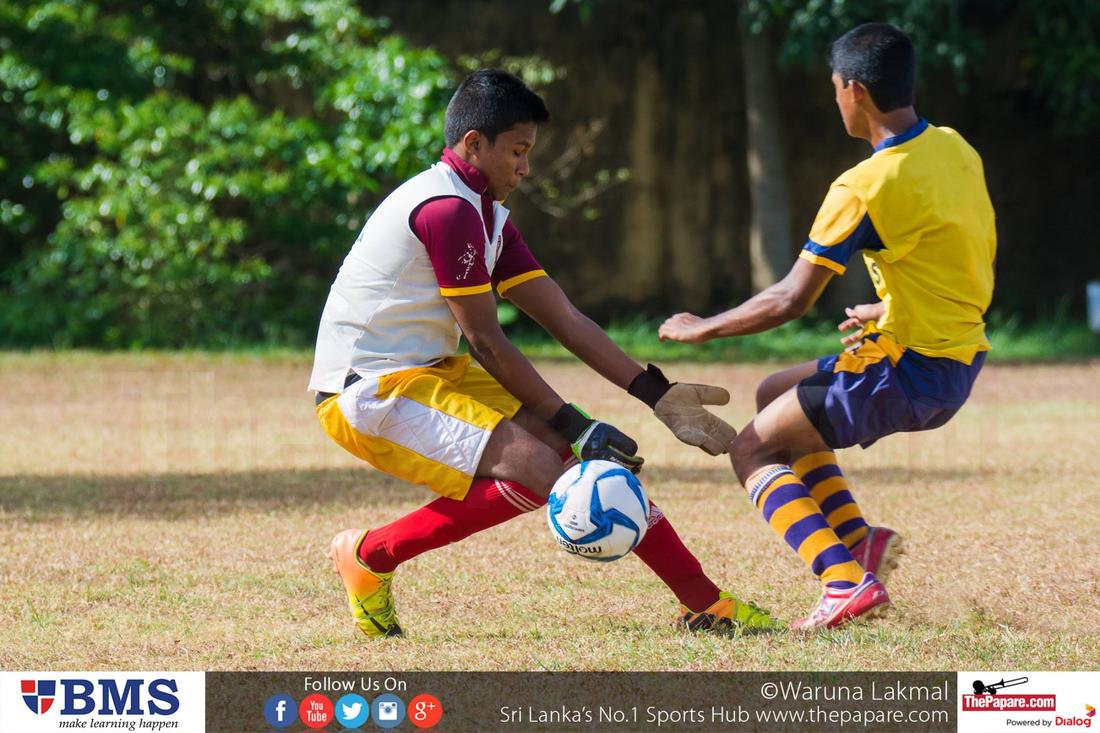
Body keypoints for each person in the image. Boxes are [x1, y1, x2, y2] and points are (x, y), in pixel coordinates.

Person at [310, 69, 782, 638]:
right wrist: (574, 422)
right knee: (539, 470)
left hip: (430, 374)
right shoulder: (447, 210)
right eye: (518, 151)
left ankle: (705, 602)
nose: (526, 168)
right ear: (474, 144)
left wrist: (656, 393)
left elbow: (564, 317)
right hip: (368, 391)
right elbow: (487, 341)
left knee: (583, 461)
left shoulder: (483, 212)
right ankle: (372, 556)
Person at [659, 23, 996, 630]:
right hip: (955, 355)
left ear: (855, 90)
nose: (834, 98)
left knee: (752, 447)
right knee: (772, 395)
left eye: (835, 87)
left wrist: (701, 327)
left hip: (910, 369)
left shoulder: (863, 187)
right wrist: (886, 309)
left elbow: (790, 299)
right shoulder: (955, 148)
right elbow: (960, 252)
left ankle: (842, 581)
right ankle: (860, 543)